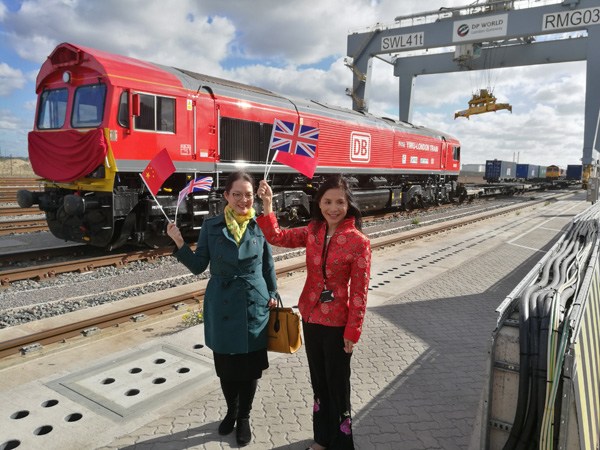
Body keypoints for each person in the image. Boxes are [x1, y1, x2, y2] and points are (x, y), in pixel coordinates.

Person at [256, 175, 371, 450]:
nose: (334, 208)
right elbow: (276, 237)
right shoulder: (313, 232)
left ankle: (343, 444)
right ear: (319, 203)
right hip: (310, 317)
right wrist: (268, 203)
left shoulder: (358, 242)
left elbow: (360, 292)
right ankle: (322, 439)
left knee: (338, 387)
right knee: (319, 384)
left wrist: (353, 331)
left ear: (348, 204)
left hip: (338, 325)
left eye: (340, 202)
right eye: (328, 201)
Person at [166, 171, 277, 447]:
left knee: (250, 369)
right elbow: (197, 266)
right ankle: (232, 410)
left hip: (254, 302)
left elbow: (267, 264)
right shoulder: (211, 226)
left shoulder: (260, 224)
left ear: (255, 196)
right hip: (222, 303)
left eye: (248, 195)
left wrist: (273, 292)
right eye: (237, 194)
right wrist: (179, 243)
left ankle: (244, 418)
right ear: (226, 196)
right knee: (227, 368)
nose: (243, 200)